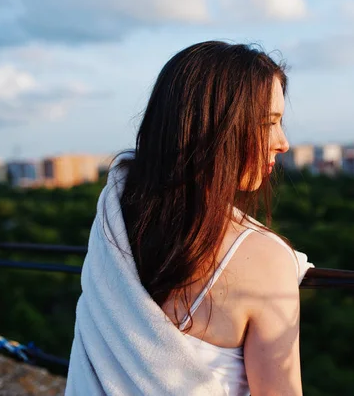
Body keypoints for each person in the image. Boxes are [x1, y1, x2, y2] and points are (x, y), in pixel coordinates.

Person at [68, 41, 312, 396]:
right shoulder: (265, 261)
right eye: (267, 123)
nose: (282, 142)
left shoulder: (115, 218)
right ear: (215, 128)